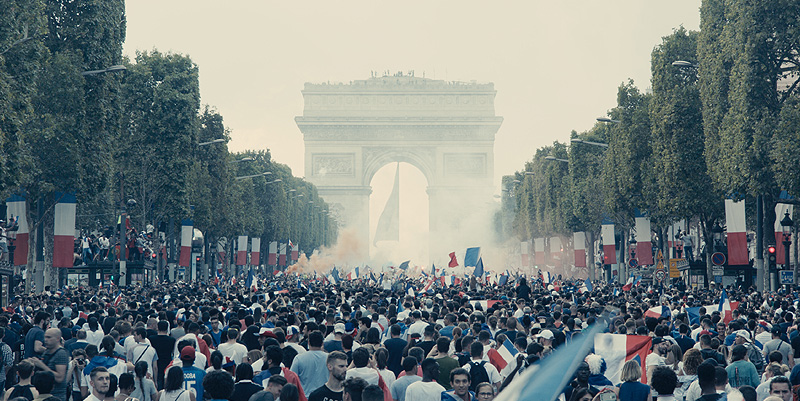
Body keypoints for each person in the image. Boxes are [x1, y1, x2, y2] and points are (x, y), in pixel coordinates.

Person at [26, 328, 69, 401]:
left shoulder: (61, 354)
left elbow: (60, 378)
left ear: (58, 338)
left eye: (49, 337)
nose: (45, 340)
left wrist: (41, 365)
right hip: (43, 395)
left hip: (57, 395)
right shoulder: (46, 351)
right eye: (45, 337)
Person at [149, 321, 176, 390]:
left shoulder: (152, 338)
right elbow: (172, 352)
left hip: (156, 363)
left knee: (158, 382)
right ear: (167, 328)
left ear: (157, 327)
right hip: (167, 362)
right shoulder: (172, 340)